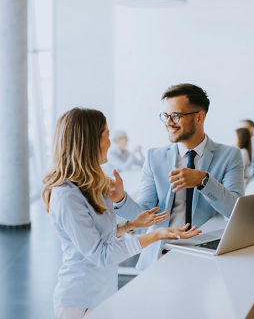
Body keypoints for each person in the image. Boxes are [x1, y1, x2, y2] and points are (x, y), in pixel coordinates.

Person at [42, 108, 201, 318]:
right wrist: (156, 235)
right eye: (107, 135)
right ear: (90, 142)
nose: (110, 142)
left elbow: (101, 236)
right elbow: (101, 254)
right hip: (79, 302)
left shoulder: (88, 185)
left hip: (102, 294)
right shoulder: (65, 196)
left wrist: (131, 225)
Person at [115, 83, 245, 270]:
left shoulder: (229, 156)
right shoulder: (154, 157)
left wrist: (203, 181)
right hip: (159, 255)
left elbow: (236, 211)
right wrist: (120, 199)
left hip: (205, 257)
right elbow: (143, 214)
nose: (168, 122)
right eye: (165, 116)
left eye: (176, 115)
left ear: (199, 117)